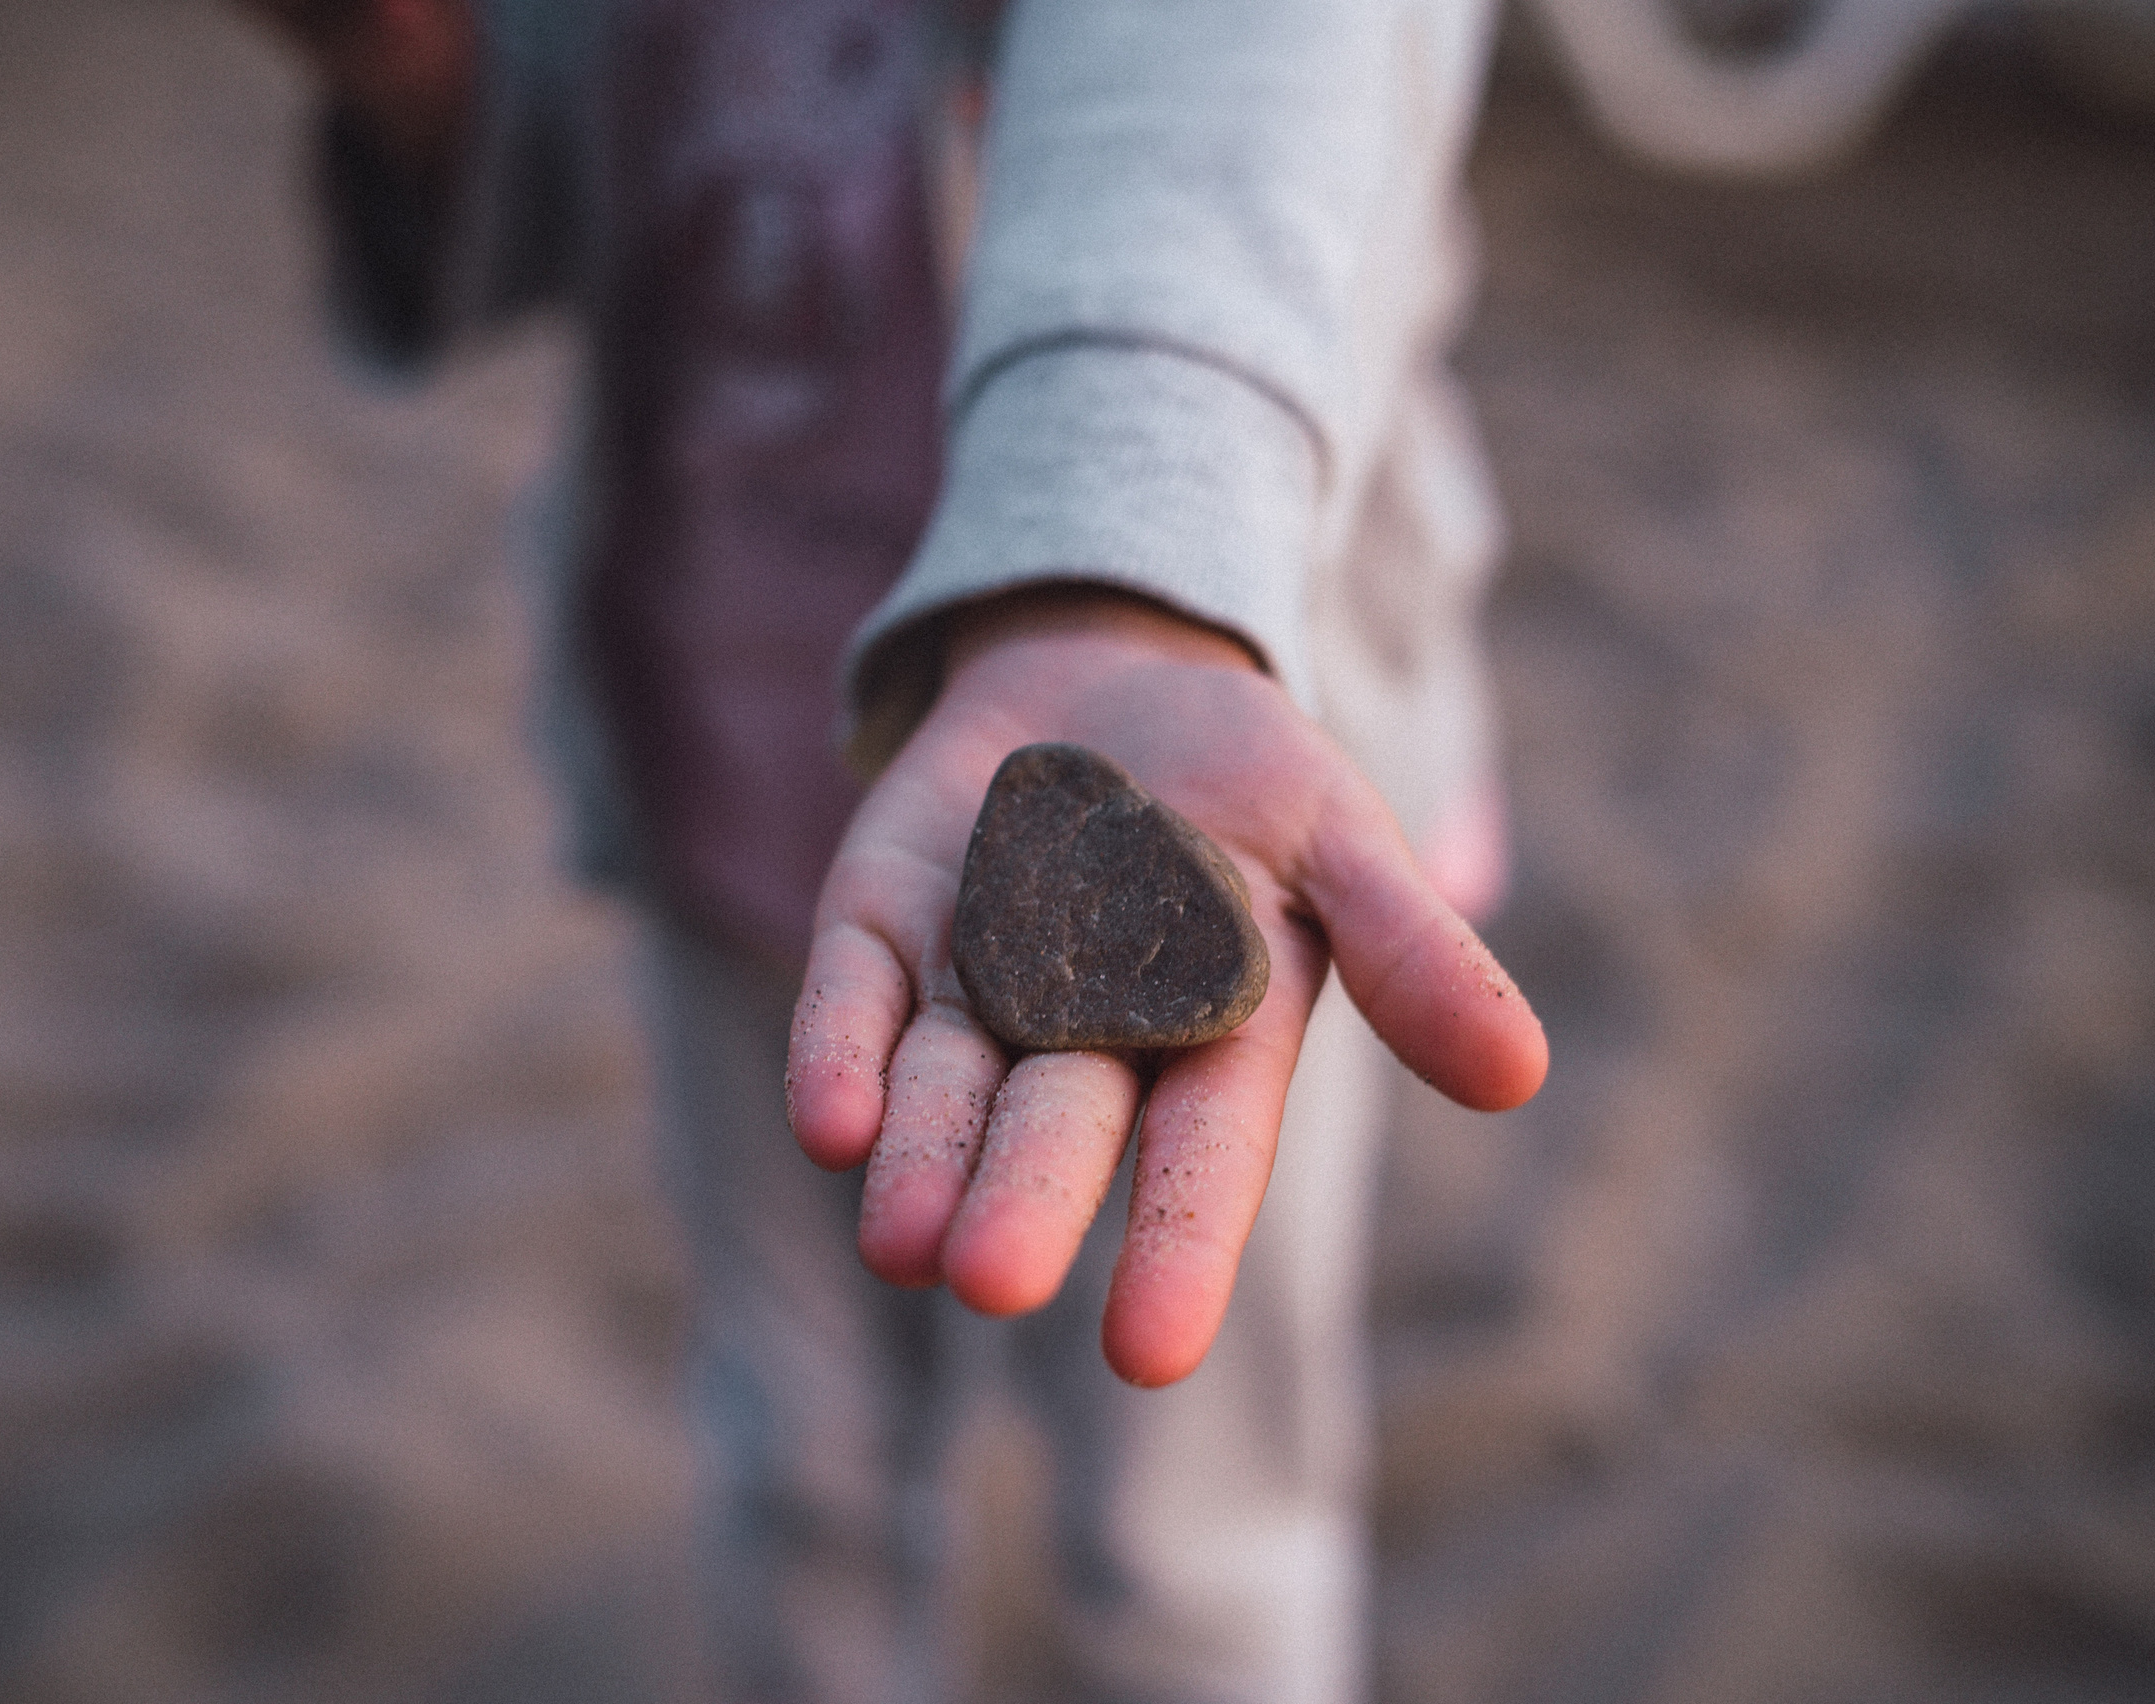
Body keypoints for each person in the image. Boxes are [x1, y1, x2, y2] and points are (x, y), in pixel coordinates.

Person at [246, 0, 1546, 1699]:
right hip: (722, 756)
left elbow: (1257, 57)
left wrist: (1109, 572)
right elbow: (588, 158)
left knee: (1190, 1540)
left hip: (1237, 730)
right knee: (801, 1465)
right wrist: (421, 69)